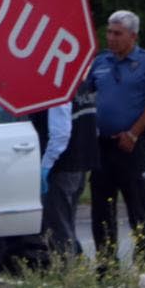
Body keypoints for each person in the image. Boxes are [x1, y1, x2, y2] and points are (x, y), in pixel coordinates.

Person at [87, 10, 145, 266]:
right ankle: (106, 265)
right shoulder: (100, 62)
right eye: (109, 32)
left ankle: (144, 266)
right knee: (101, 210)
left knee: (138, 209)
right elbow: (86, 94)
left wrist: (133, 133)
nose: (111, 38)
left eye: (118, 33)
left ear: (133, 36)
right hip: (103, 146)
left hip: (131, 146)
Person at [35, 79, 98, 258]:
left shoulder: (58, 86)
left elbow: (61, 133)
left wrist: (46, 164)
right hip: (80, 162)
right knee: (67, 223)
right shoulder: (80, 83)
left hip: (61, 165)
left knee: (59, 228)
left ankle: (67, 270)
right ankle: (75, 264)